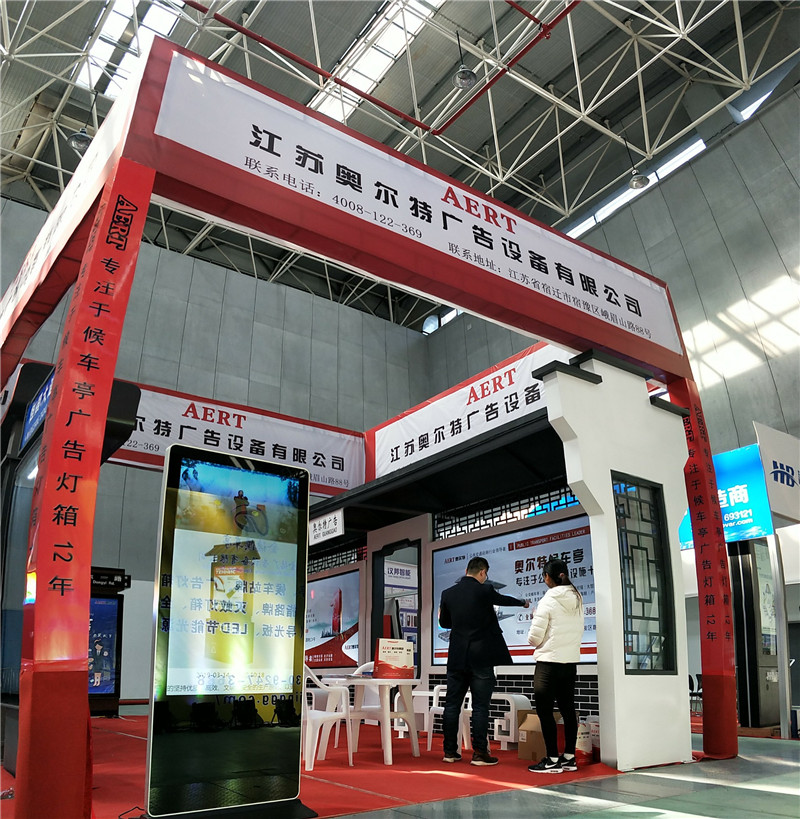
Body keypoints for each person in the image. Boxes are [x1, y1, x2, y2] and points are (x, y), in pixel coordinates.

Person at [438, 556, 530, 766]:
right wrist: (522, 603)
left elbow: (444, 622)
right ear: (482, 572)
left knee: (452, 705)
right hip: (481, 657)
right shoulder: (485, 590)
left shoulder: (448, 593)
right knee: (480, 706)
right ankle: (480, 753)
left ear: (466, 570)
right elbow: (503, 600)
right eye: (485, 574)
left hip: (457, 657)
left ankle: (450, 752)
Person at [526, 558, 585, 774]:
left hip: (549, 663)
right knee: (568, 710)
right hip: (569, 663)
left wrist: (534, 619)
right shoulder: (577, 597)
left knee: (545, 711)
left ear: (547, 577)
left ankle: (551, 759)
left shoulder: (548, 599)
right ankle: (569, 757)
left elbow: (534, 638)